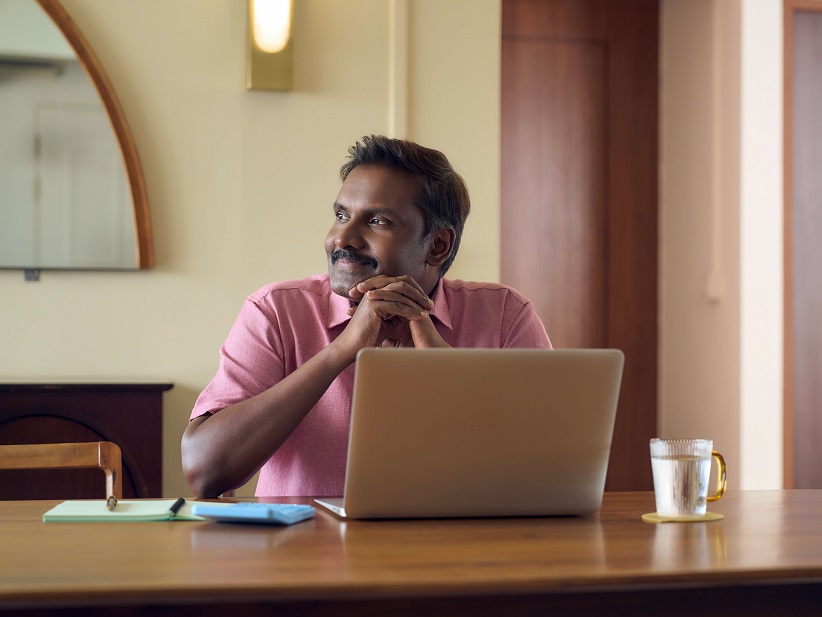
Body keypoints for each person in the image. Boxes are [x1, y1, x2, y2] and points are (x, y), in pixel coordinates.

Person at [182, 135, 552, 498]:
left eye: (377, 221)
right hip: (304, 553)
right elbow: (205, 470)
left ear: (438, 245)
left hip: (458, 553)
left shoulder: (505, 315)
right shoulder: (275, 311)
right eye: (341, 215)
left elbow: (549, 467)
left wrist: (439, 359)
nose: (342, 238)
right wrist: (342, 349)